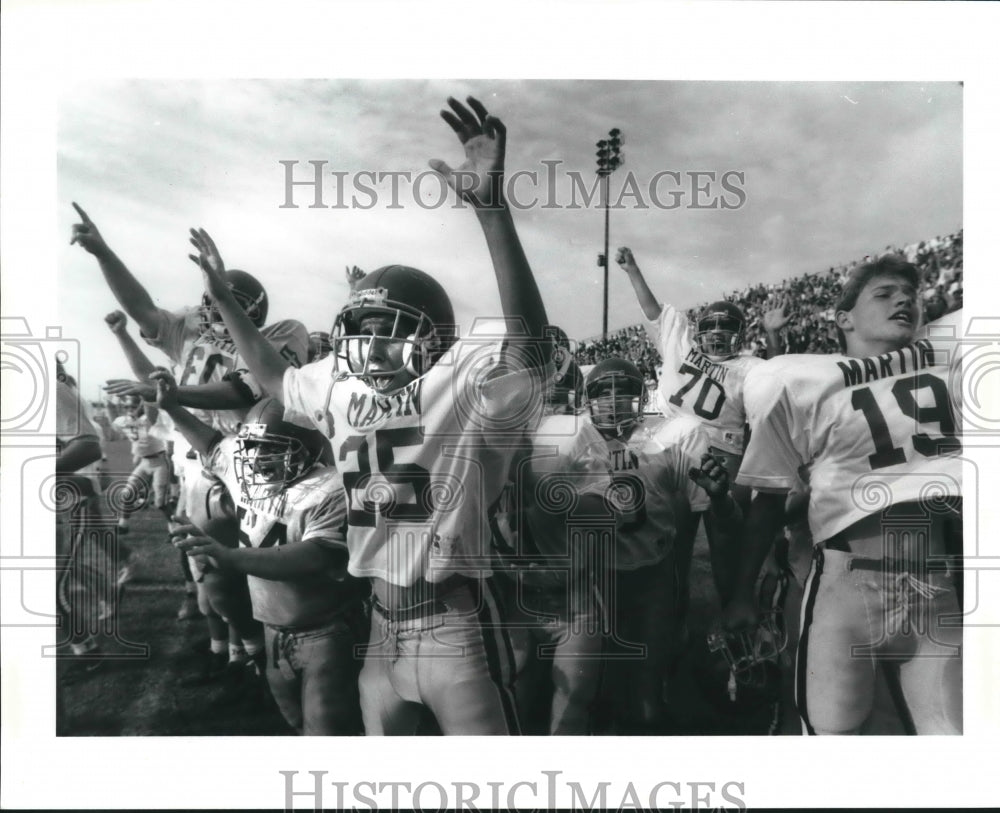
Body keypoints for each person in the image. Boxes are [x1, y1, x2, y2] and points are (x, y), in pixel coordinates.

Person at [187, 95, 552, 735]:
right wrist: (226, 301)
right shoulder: (339, 385)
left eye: (392, 330)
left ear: (432, 338)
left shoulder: (458, 384)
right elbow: (272, 376)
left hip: (454, 622)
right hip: (379, 627)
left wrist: (491, 212)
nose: (371, 345)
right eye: (362, 329)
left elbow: (530, 349)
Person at [731, 255, 963, 735]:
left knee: (953, 743)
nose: (904, 299)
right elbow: (769, 501)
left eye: (911, 294)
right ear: (843, 318)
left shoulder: (951, 359)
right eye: (884, 293)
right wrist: (740, 593)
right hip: (848, 587)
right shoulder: (801, 381)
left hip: (934, 586)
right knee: (836, 745)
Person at [154, 371, 368, 735]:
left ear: (307, 448)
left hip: (326, 633)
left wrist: (232, 558)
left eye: (272, 449)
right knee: (296, 723)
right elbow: (210, 445)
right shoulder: (250, 475)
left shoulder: (330, 488)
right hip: (273, 630)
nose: (256, 460)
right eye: (251, 449)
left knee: (328, 734)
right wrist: (172, 407)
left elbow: (313, 556)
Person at [583, 357, 743, 734]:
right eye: (602, 392)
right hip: (593, 581)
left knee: (647, 705)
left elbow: (724, 521)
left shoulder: (669, 437)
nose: (613, 400)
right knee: (597, 696)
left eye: (623, 390)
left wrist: (721, 499)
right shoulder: (575, 442)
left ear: (642, 396)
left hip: (653, 575)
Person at [107, 386, 171, 533]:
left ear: (140, 405)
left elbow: (150, 410)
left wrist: (144, 397)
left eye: (133, 405)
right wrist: (108, 403)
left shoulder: (149, 418)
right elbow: (113, 422)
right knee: (127, 494)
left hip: (159, 462)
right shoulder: (124, 420)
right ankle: (123, 525)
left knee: (160, 503)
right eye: (127, 406)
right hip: (144, 462)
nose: (130, 408)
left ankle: (173, 528)